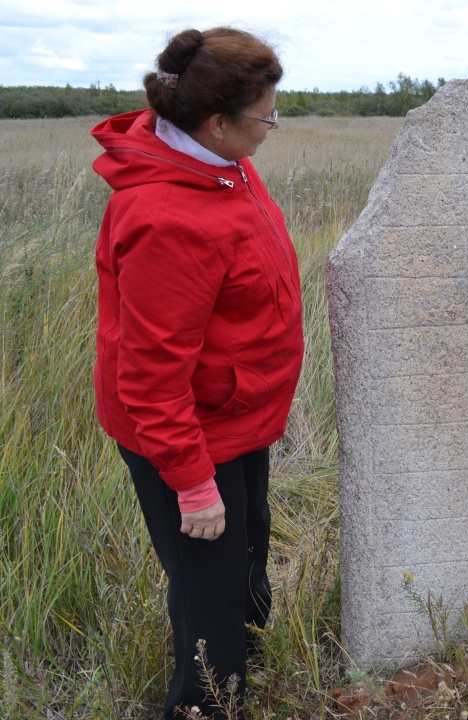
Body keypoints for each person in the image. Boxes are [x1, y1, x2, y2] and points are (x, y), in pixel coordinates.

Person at [91, 27, 303, 719]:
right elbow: (150, 377)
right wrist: (190, 484)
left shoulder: (221, 165)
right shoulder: (165, 217)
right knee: (208, 585)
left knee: (244, 553)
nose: (274, 126)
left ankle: (247, 668)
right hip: (184, 435)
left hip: (232, 414)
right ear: (217, 122)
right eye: (266, 115)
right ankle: (205, 704)